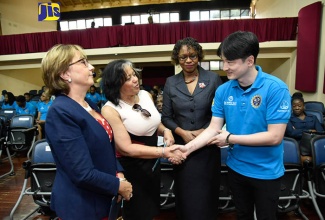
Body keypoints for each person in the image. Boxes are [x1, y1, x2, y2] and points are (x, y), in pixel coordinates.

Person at [171, 31, 292, 220]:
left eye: (230, 62)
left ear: (249, 61)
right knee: (242, 215)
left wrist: (229, 138)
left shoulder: (275, 88)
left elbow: (274, 137)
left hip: (266, 172)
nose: (224, 67)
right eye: (223, 61)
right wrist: (186, 149)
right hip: (236, 169)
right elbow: (213, 128)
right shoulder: (223, 90)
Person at [41, 44, 132, 219]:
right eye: (83, 62)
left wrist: (118, 174)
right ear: (65, 73)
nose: (91, 67)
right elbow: (81, 173)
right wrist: (118, 185)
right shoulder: (60, 112)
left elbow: (105, 147)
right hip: (82, 205)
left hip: (102, 197)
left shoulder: (88, 104)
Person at [100, 59, 184, 220]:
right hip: (132, 167)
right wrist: (164, 152)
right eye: (128, 78)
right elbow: (126, 148)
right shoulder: (110, 109)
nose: (135, 80)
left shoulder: (145, 95)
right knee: (136, 210)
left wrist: (166, 130)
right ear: (116, 84)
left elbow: (153, 122)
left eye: (134, 74)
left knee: (150, 208)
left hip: (152, 162)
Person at [161, 37, 223, 220]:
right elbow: (166, 117)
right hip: (182, 149)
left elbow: (220, 113)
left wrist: (205, 131)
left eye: (192, 56)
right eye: (183, 57)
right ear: (177, 59)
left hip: (208, 147)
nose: (188, 60)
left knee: (207, 194)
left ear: (199, 56)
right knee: (187, 196)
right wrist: (183, 133)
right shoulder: (171, 82)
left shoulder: (213, 79)